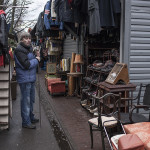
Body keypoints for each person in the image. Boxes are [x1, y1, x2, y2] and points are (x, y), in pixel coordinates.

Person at [14, 32, 40, 129]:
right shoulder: (19, 50)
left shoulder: (28, 49)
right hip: (25, 80)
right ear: (21, 40)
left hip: (30, 79)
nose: (28, 40)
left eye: (29, 38)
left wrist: (36, 55)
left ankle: (30, 117)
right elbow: (26, 65)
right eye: (25, 38)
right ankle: (26, 122)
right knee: (26, 101)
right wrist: (36, 59)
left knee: (31, 100)